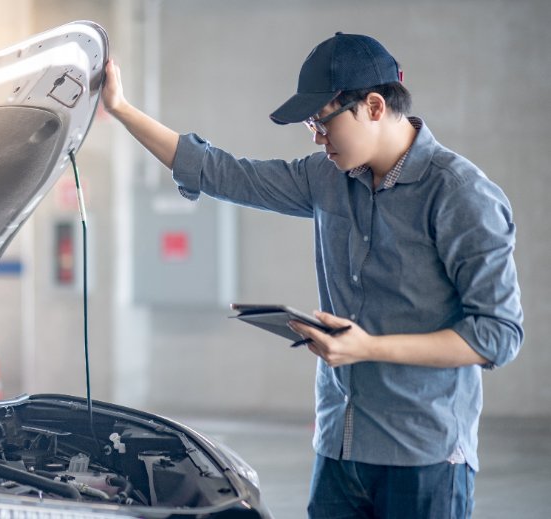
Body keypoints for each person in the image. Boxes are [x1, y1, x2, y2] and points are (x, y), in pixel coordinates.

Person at [102, 32, 523, 518]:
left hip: (424, 455)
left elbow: (498, 335)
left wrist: (369, 348)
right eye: (310, 125)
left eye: (322, 121)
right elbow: (222, 172)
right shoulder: (326, 178)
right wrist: (121, 109)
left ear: (373, 106)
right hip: (339, 448)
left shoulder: (460, 194)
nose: (317, 138)